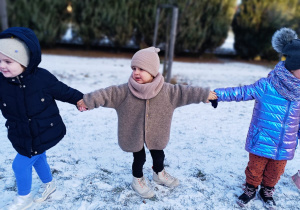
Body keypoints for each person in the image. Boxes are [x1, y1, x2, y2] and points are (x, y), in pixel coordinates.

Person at [77, 46, 217, 198]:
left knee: (159, 155)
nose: (136, 72)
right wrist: (88, 101)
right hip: (134, 133)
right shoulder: (124, 91)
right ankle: (137, 180)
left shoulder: (168, 92)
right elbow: (106, 94)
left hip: (156, 133)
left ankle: (159, 174)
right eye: (134, 68)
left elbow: (186, 92)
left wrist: (205, 94)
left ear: (153, 71)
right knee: (139, 158)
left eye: (141, 69)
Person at [212, 28, 300, 209]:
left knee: (276, 172)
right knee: (255, 169)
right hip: (262, 138)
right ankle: (251, 188)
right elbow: (243, 92)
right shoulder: (267, 85)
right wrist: (217, 95)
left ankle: (267, 190)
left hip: (285, 143)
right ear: (293, 66)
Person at [0, 27, 84, 210]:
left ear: (25, 61)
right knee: (38, 159)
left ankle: (24, 198)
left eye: (7, 61)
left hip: (44, 130)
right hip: (21, 132)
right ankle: (49, 184)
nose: (1, 66)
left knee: (20, 165)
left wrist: (80, 99)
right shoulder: (2, 82)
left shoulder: (42, 78)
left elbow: (63, 91)